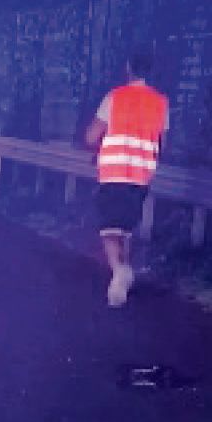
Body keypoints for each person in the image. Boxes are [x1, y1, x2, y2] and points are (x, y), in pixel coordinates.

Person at [83, 48, 168, 307]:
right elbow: (162, 141)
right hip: (142, 175)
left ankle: (119, 271)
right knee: (127, 227)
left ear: (128, 67)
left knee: (109, 227)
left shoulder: (115, 97)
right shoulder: (161, 103)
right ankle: (124, 274)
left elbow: (91, 136)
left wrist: (95, 146)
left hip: (114, 171)